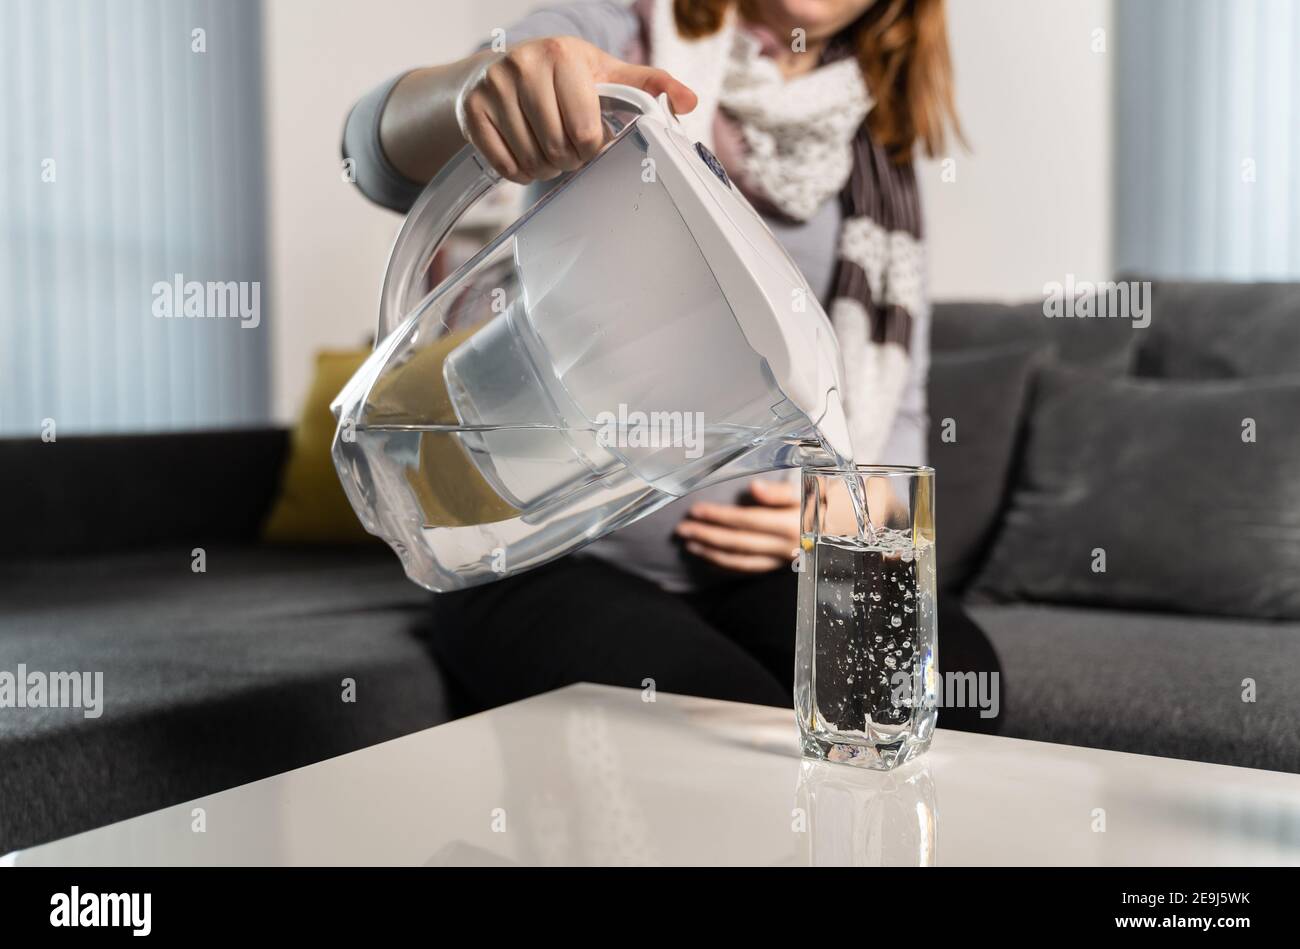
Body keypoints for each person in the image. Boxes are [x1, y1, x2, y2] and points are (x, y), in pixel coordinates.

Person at [343, 0, 1002, 731]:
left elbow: (901, 412)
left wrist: (852, 509)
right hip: (545, 555)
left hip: (766, 570)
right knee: (714, 727)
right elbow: (371, 156)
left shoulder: (880, 148)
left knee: (950, 687)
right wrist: (481, 89)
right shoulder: (617, 43)